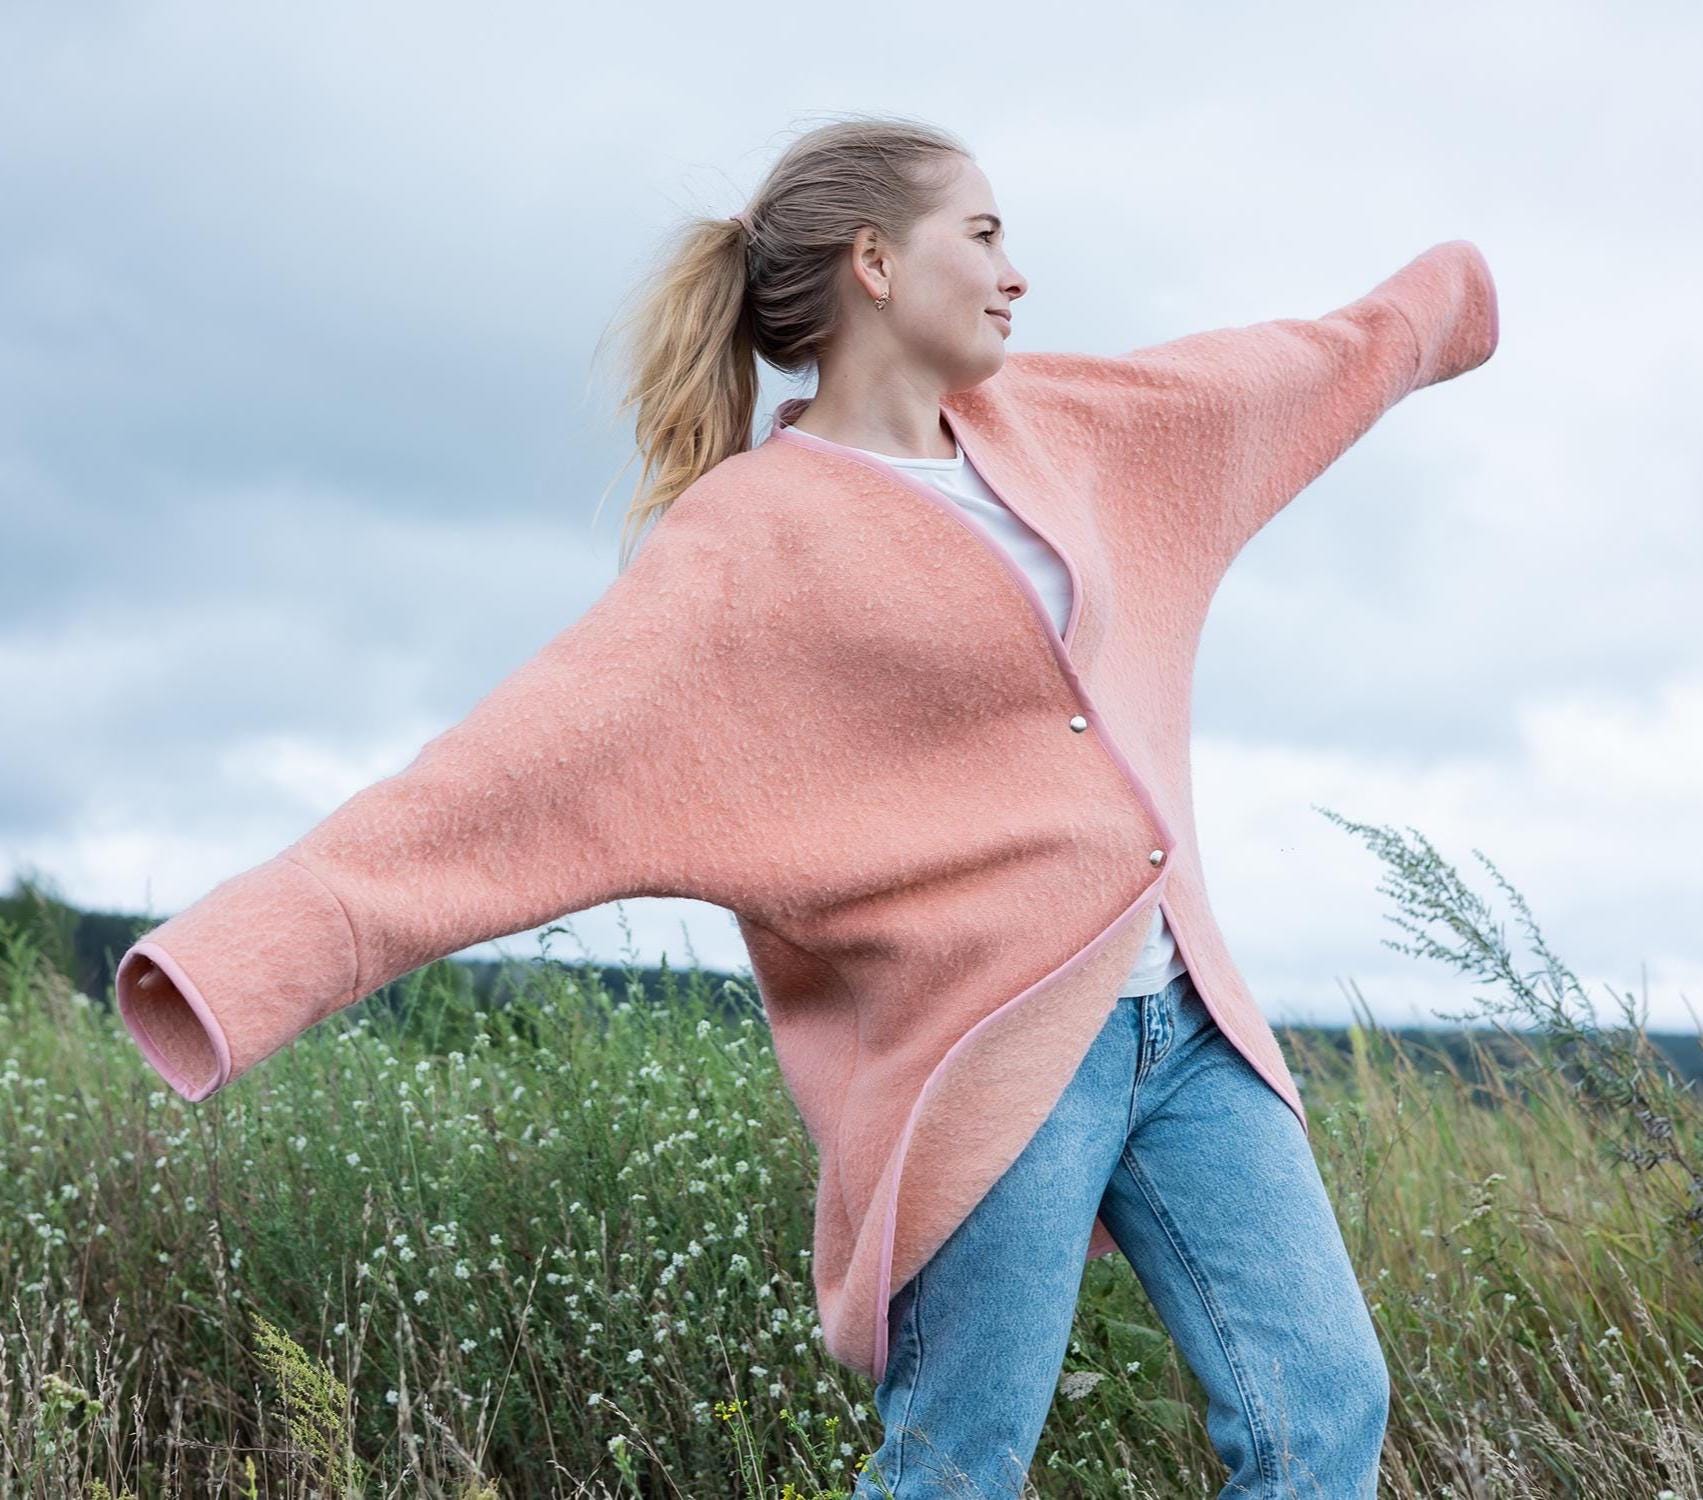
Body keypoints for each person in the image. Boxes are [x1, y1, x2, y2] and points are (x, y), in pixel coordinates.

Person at [118, 112, 1498, 1498]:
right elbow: (506, 776)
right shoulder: (746, 542)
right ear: (878, 264)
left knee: (1324, 1403)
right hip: (990, 1054)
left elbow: (1265, 382)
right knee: (957, 1466)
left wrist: (1438, 303)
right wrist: (240, 962)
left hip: (1189, 1021)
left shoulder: (1068, 429)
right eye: (985, 233)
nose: (1017, 270)